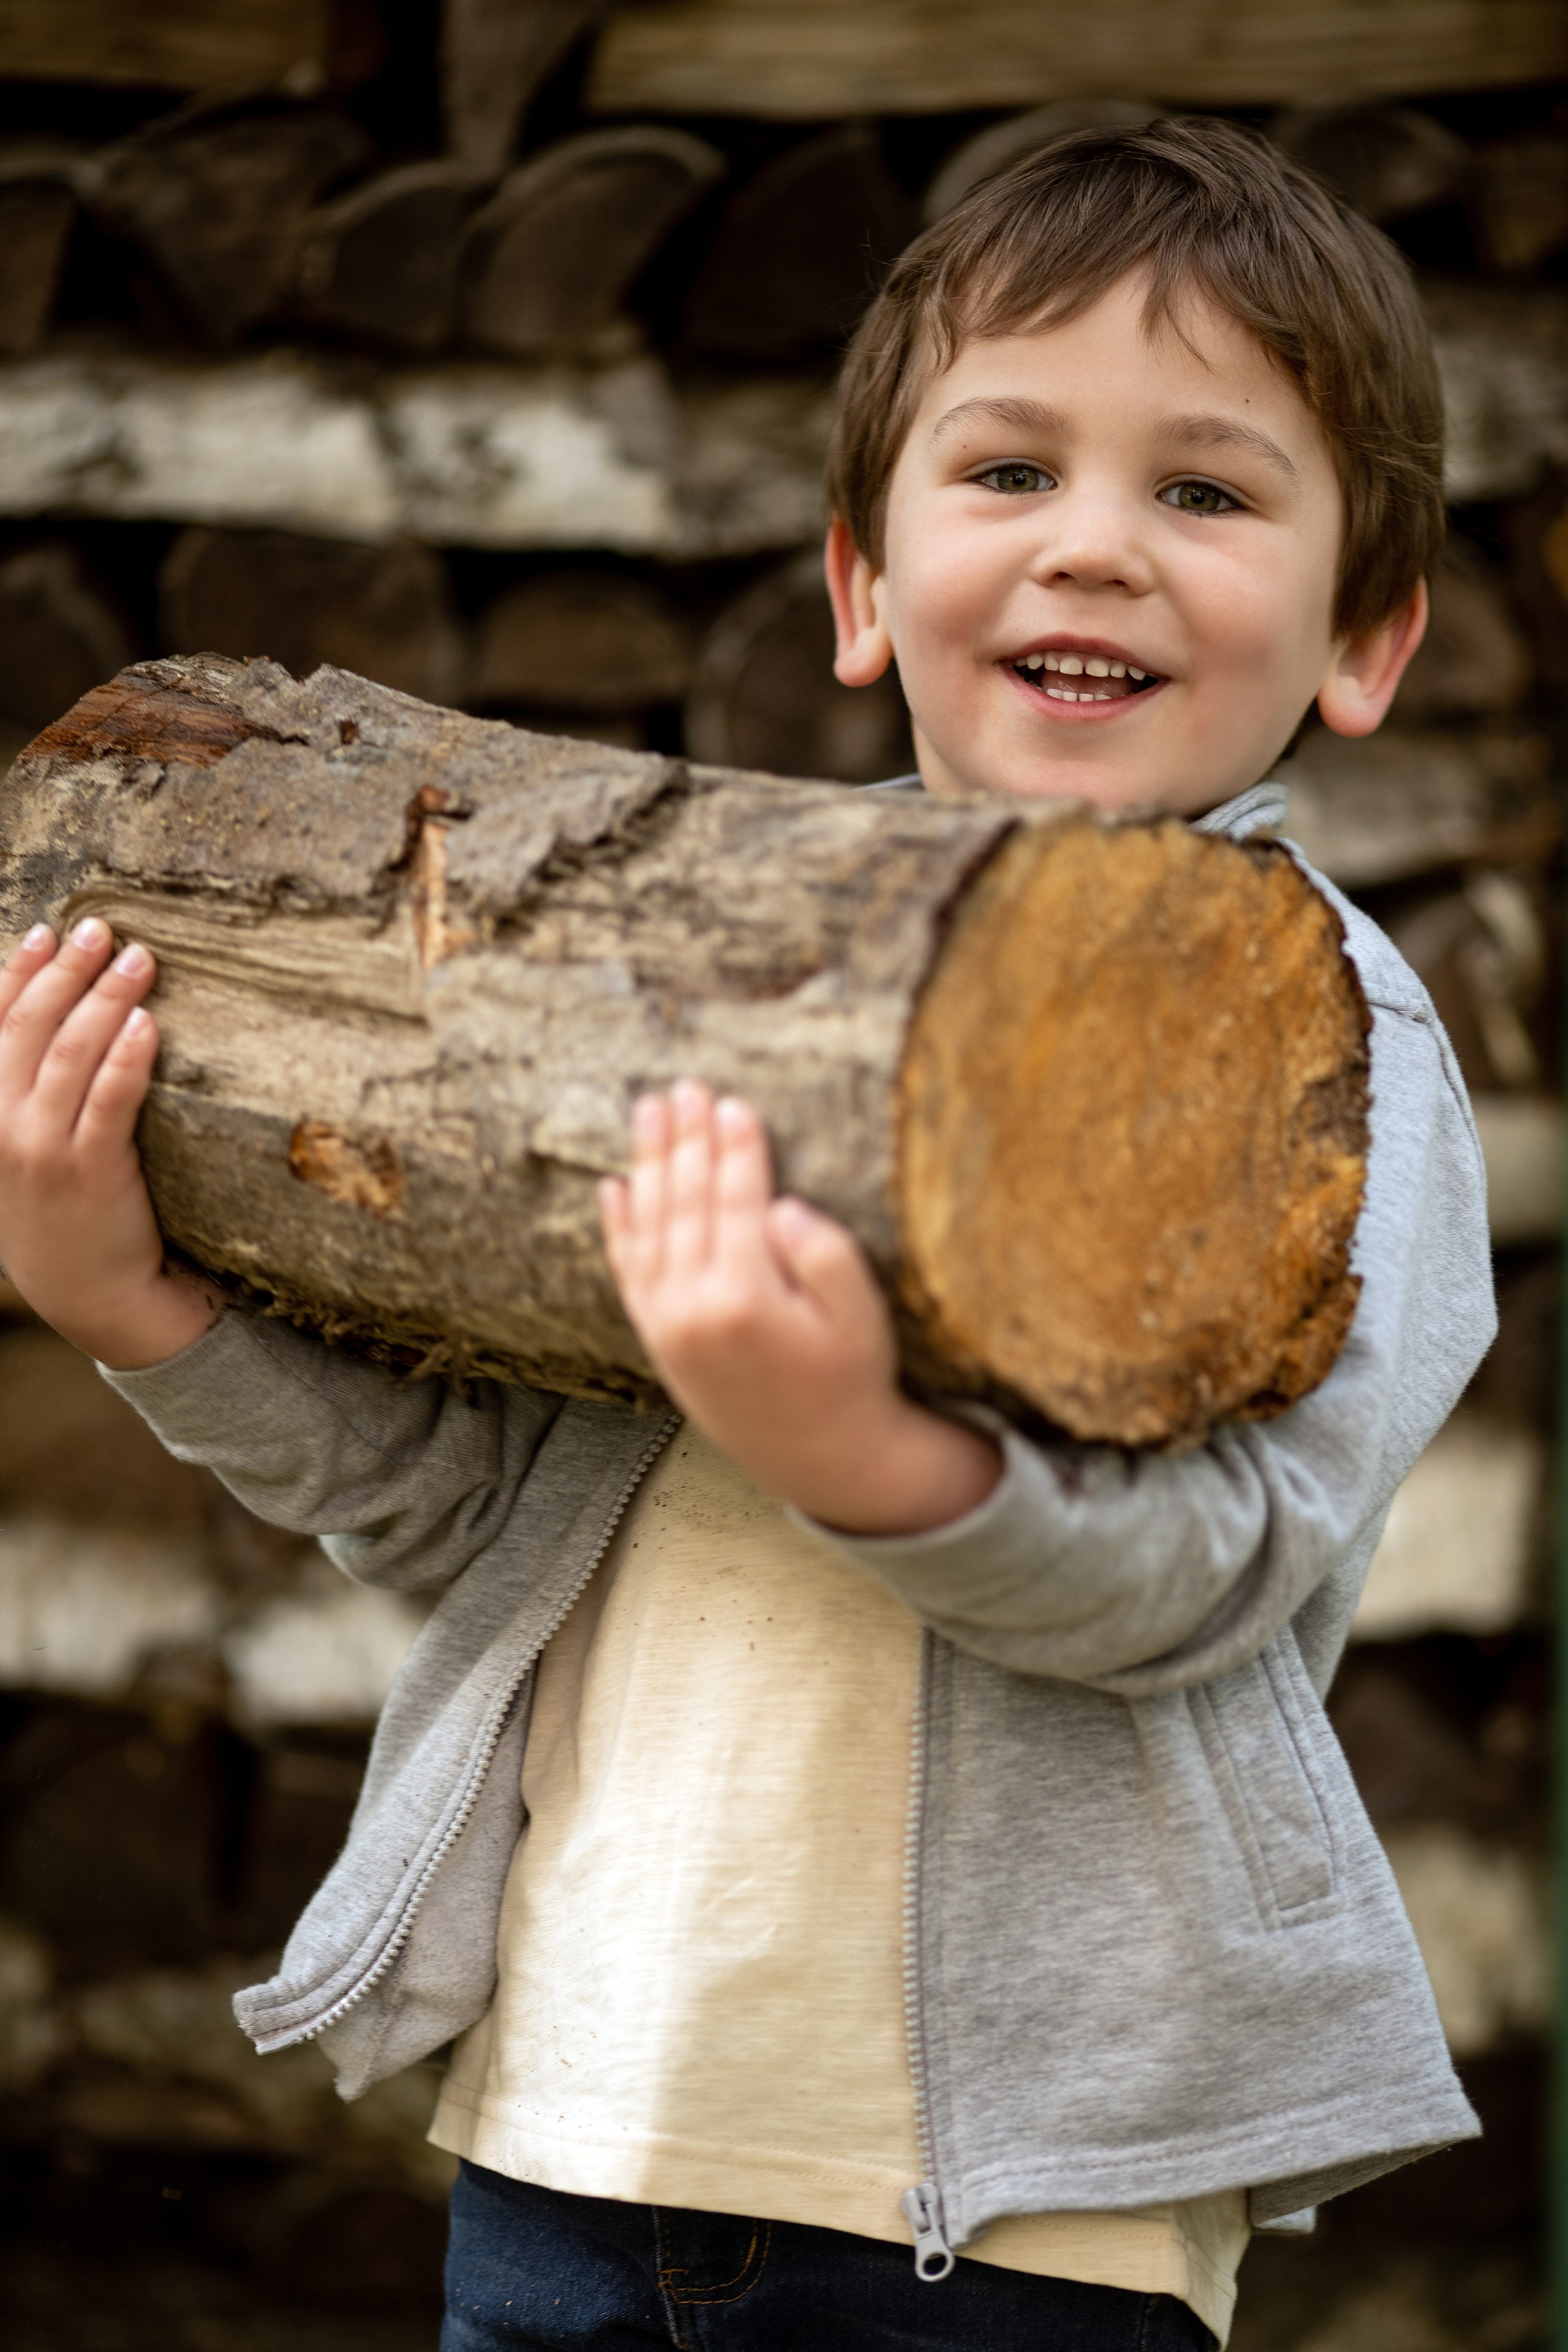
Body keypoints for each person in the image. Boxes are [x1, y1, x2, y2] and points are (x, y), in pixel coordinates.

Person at [0, 119, 1495, 2352]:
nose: (1095, 549)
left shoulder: (1320, 1044)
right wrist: (137, 1308)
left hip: (1005, 2228)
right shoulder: (697, 966)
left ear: (1366, 637)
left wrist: (875, 1460)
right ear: (862, 583)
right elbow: (492, 1530)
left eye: (1204, 490)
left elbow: (1234, 1564)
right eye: (1009, 472)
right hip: (572, 2146)